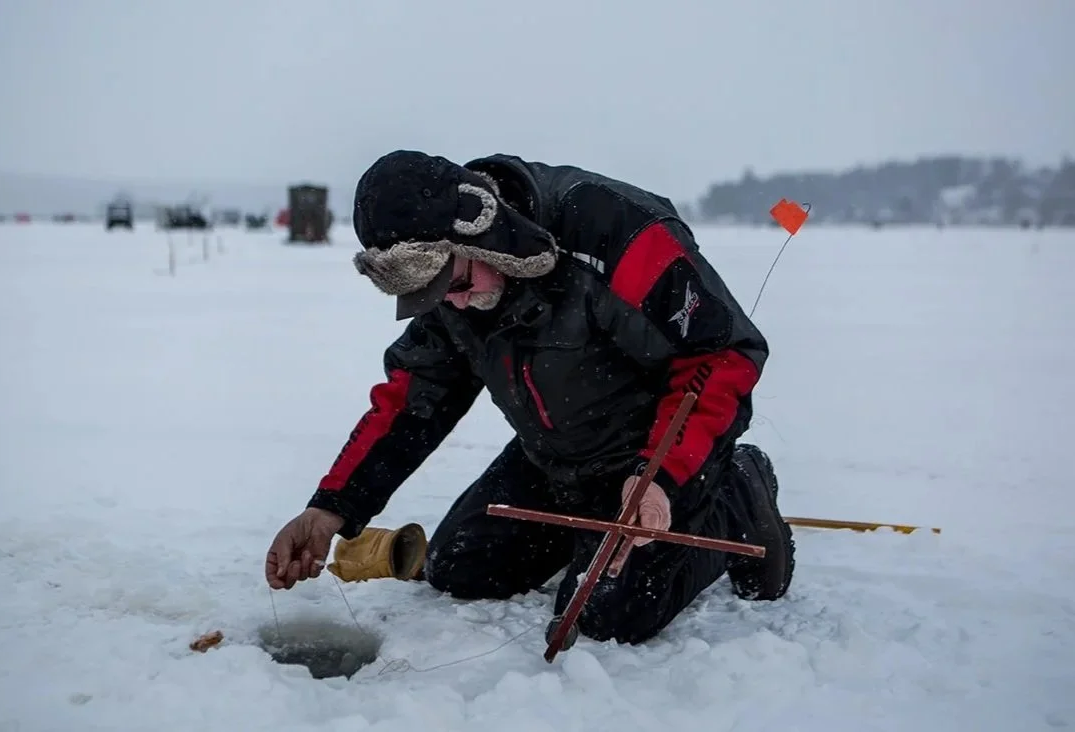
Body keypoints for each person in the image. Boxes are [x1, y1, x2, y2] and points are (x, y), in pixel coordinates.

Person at [264, 150, 795, 645]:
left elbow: (724, 353)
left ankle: (737, 492)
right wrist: (330, 509)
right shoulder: (453, 283)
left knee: (607, 616)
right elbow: (413, 399)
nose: (457, 304)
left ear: (485, 233)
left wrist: (661, 477)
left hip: (656, 451)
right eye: (437, 296)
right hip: (555, 456)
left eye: (458, 283)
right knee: (460, 568)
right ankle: (589, 536)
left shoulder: (616, 232)